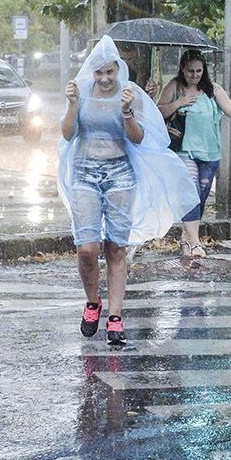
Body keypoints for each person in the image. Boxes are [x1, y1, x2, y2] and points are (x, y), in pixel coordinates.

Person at [59, 37, 198, 347]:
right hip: (84, 174)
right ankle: (93, 302)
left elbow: (138, 139)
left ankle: (116, 317)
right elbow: (68, 134)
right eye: (99, 73)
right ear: (92, 72)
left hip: (120, 174)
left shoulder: (129, 94)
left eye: (109, 71)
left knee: (116, 248)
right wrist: (71, 106)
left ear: (117, 69)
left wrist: (126, 112)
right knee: (86, 249)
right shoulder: (80, 92)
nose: (105, 78)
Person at [156, 49, 231, 258]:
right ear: (182, 68)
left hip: (210, 152)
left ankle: (187, 237)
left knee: (200, 195)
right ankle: (195, 242)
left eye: (199, 71)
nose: (194, 75)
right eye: (190, 71)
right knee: (190, 191)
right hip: (184, 150)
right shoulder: (174, 87)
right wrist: (179, 103)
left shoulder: (213, 90)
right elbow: (158, 112)